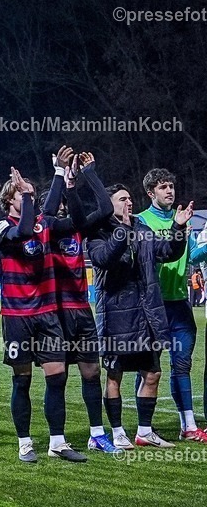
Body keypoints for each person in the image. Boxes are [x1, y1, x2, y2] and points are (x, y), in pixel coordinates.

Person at [0, 167, 85, 463]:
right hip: (17, 315)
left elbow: (69, 218)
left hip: (47, 313)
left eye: (29, 192)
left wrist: (58, 172)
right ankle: (25, 442)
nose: (28, 195)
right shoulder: (0, 228)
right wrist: (31, 198)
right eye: (22, 192)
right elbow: (22, 232)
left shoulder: (45, 225)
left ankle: (57, 441)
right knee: (22, 380)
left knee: (57, 377)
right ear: (10, 199)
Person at [89, 184, 190, 449]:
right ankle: (118, 431)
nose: (129, 202)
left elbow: (167, 252)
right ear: (109, 204)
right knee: (114, 375)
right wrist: (122, 229)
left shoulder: (142, 228)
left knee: (153, 372)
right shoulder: (98, 231)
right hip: (116, 314)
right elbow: (104, 259)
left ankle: (144, 431)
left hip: (146, 315)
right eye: (123, 199)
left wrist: (178, 229)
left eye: (130, 198)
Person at [39, 148, 115, 454]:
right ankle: (57, 440)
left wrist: (88, 174)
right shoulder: (43, 226)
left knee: (91, 373)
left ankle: (96, 434)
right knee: (57, 377)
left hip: (80, 309)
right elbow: (46, 215)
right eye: (56, 204)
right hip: (53, 313)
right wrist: (62, 179)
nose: (60, 209)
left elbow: (106, 208)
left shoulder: (76, 226)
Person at [137, 168, 207, 441]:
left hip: (179, 304)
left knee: (182, 366)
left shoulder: (182, 220)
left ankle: (188, 426)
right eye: (163, 187)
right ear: (150, 192)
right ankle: (145, 427)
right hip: (152, 306)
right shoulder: (140, 221)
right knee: (146, 368)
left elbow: (194, 255)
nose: (169, 191)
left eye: (171, 186)